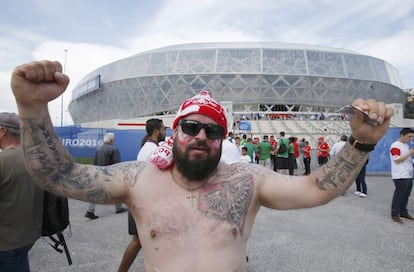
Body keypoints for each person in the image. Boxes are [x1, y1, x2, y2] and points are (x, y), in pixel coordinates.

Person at [10, 60, 392, 271]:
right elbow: (59, 175)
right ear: (174, 133)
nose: (201, 136)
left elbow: (315, 189)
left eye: (213, 132)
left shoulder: (246, 180)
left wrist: (361, 143)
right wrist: (32, 107)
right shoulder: (139, 179)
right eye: (191, 127)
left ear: (222, 141)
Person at [118, 118, 166, 272]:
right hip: (145, 201)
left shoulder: (147, 147)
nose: (165, 132)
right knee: (139, 240)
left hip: (141, 198)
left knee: (146, 240)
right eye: (164, 129)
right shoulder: (152, 150)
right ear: (156, 132)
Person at [0, 112, 44, 272]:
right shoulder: (36, 160)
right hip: (27, 237)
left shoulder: (3, 161)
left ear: (3, 131)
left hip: (5, 243)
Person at [84, 132, 128, 219]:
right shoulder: (114, 149)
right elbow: (117, 165)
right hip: (109, 175)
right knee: (117, 190)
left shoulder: (98, 149)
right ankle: (118, 207)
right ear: (111, 140)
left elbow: (95, 163)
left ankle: (90, 210)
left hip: (99, 174)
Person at [389, 128, 414, 224]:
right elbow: (397, 159)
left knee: (406, 195)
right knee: (399, 195)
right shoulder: (395, 146)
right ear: (402, 135)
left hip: (408, 174)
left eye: (411, 137)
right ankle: (394, 214)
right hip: (400, 175)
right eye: (409, 136)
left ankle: (403, 212)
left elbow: (406, 159)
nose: (410, 139)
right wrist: (410, 153)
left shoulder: (406, 146)